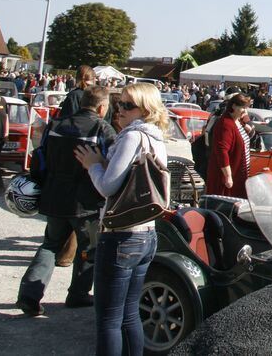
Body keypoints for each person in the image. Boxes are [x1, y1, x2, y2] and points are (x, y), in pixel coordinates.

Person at [74, 82, 168, 356]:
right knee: (129, 315)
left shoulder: (132, 137)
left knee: (109, 320)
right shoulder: (156, 137)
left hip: (121, 235)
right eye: (119, 103)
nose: (120, 110)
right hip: (146, 233)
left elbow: (107, 187)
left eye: (128, 105)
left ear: (145, 110)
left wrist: (93, 165)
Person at [16, 86, 115, 316]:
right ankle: (78, 294)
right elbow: (113, 162)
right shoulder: (101, 127)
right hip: (86, 203)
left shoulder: (57, 123)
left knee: (50, 245)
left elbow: (41, 156)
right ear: (102, 107)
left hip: (54, 197)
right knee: (89, 249)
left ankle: (29, 295)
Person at [206, 93, 252, 198]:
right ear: (234, 106)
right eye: (243, 108)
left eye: (246, 108)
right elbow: (222, 151)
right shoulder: (225, 124)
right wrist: (228, 176)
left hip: (239, 174)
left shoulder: (237, 122)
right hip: (225, 178)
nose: (245, 111)